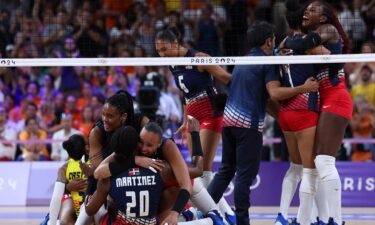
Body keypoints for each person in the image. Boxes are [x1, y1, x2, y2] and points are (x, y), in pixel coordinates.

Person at [206, 22, 318, 225]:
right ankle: (242, 221)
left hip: (229, 122)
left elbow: (261, 98)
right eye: (274, 40)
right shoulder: (268, 63)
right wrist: (304, 88)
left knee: (226, 170)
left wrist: (281, 116)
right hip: (247, 126)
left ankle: (202, 210)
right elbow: (274, 93)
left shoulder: (242, 61)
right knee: (244, 177)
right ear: (269, 42)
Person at [281, 1, 353, 224]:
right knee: (314, 165)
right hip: (323, 101)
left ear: (323, 18)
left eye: (312, 10)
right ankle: (312, 219)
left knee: (323, 162)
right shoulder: (314, 35)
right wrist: (293, 45)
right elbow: (299, 43)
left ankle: (336, 219)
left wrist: (290, 44)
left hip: (336, 97)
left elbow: (305, 42)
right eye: (306, 8)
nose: (306, 11)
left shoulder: (328, 30)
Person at [155, 27, 236, 224]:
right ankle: (221, 212)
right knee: (196, 170)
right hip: (193, 118)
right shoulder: (173, 64)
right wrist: (185, 120)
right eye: (158, 51)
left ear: (176, 43)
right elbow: (185, 95)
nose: (162, 55)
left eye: (165, 49)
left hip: (211, 114)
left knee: (204, 170)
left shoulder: (199, 58)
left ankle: (225, 214)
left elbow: (227, 78)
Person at [92, 121, 225, 225]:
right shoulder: (131, 144)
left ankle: (209, 217)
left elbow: (195, 173)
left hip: (179, 182)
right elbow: (98, 173)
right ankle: (188, 215)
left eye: (149, 145)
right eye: (141, 142)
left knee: (167, 218)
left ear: (159, 144)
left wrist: (195, 135)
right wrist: (135, 159)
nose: (143, 148)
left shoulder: (167, 147)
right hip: (156, 186)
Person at [273, 1, 330, 224]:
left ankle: (283, 216)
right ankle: (307, 220)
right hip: (304, 108)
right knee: (310, 171)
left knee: (296, 167)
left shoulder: (283, 43)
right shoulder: (306, 44)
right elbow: (326, 52)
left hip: (285, 113)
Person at [42, 134, 101, 225]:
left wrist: (52, 222)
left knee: (65, 216)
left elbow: (56, 197)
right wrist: (68, 188)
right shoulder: (95, 163)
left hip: (79, 206)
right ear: (85, 148)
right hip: (90, 208)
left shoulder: (65, 167)